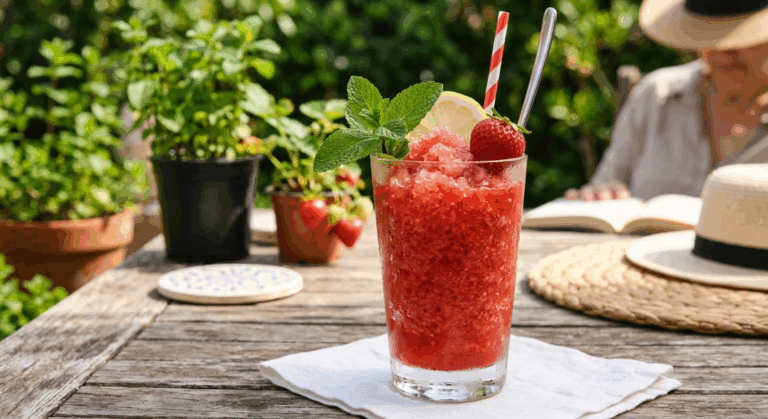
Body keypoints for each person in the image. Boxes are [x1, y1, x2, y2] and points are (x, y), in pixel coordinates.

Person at [566, 0, 768, 201]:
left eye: (740, 39)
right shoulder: (655, 94)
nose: (723, 51)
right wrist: (601, 193)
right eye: (711, 36)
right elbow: (607, 181)